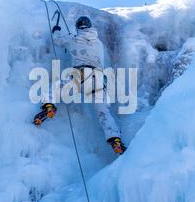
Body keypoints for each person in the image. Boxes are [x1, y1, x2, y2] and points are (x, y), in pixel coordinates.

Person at [33, 16, 126, 155]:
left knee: (57, 87)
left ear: (78, 27)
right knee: (103, 112)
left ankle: (49, 106)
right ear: (89, 26)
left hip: (80, 74)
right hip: (98, 80)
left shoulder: (73, 38)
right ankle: (115, 140)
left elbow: (57, 40)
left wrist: (56, 29)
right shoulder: (98, 43)